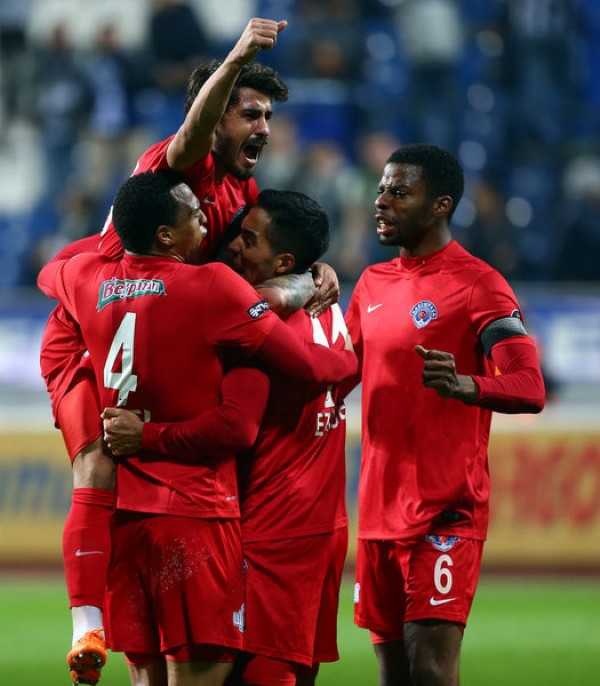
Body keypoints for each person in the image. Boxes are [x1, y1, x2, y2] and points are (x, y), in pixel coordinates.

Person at [37, 16, 337, 685]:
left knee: (165, 463)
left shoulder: (241, 193)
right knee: (99, 461)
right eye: (250, 114)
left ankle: (154, 622)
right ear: (215, 112)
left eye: (268, 116)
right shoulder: (177, 166)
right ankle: (87, 625)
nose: (263, 128)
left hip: (152, 330)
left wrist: (309, 270)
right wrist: (236, 56)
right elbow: (192, 137)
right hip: (89, 330)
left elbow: (246, 275)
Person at [102, 189, 350, 686]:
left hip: (268, 533)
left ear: (283, 261)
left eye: (248, 239)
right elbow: (339, 366)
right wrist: (315, 294)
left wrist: (146, 435)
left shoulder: (254, 323)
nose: (232, 245)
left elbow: (237, 426)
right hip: (320, 527)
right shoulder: (328, 310)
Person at [345, 144, 546, 686]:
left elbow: (529, 386)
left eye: (399, 192)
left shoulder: (480, 284)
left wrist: (466, 385)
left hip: (444, 513)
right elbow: (333, 374)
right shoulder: (370, 284)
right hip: (377, 515)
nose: (381, 201)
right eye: (381, 190)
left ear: (441, 205)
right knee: (393, 674)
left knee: (431, 670)